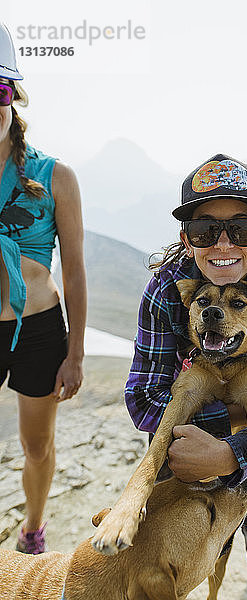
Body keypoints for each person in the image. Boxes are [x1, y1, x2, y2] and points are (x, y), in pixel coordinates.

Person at [124, 153, 247, 599]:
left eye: (242, 229)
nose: (224, 244)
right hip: (183, 430)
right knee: (156, 530)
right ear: (187, 238)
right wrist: (207, 437)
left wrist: (233, 451)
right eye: (205, 230)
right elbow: (142, 397)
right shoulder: (167, 288)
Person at [0, 23, 87, 554]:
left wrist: (75, 353)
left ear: (14, 98)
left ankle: (33, 528)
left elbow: (74, 271)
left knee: (36, 445)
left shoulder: (57, 176)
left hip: (38, 331)